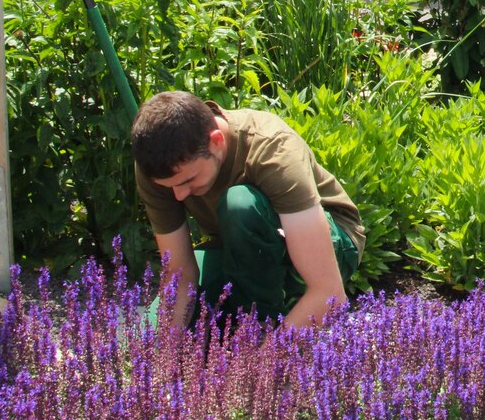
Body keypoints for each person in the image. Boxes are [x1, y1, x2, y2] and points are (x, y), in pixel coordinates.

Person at [131, 90, 364, 330]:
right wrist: (164, 349)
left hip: (326, 243)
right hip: (238, 249)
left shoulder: (274, 151)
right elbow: (180, 273)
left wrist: (260, 362)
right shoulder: (161, 168)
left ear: (216, 142)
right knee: (148, 332)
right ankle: (251, 317)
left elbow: (328, 293)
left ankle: (261, 325)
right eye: (171, 187)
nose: (179, 195)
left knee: (240, 204)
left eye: (188, 180)